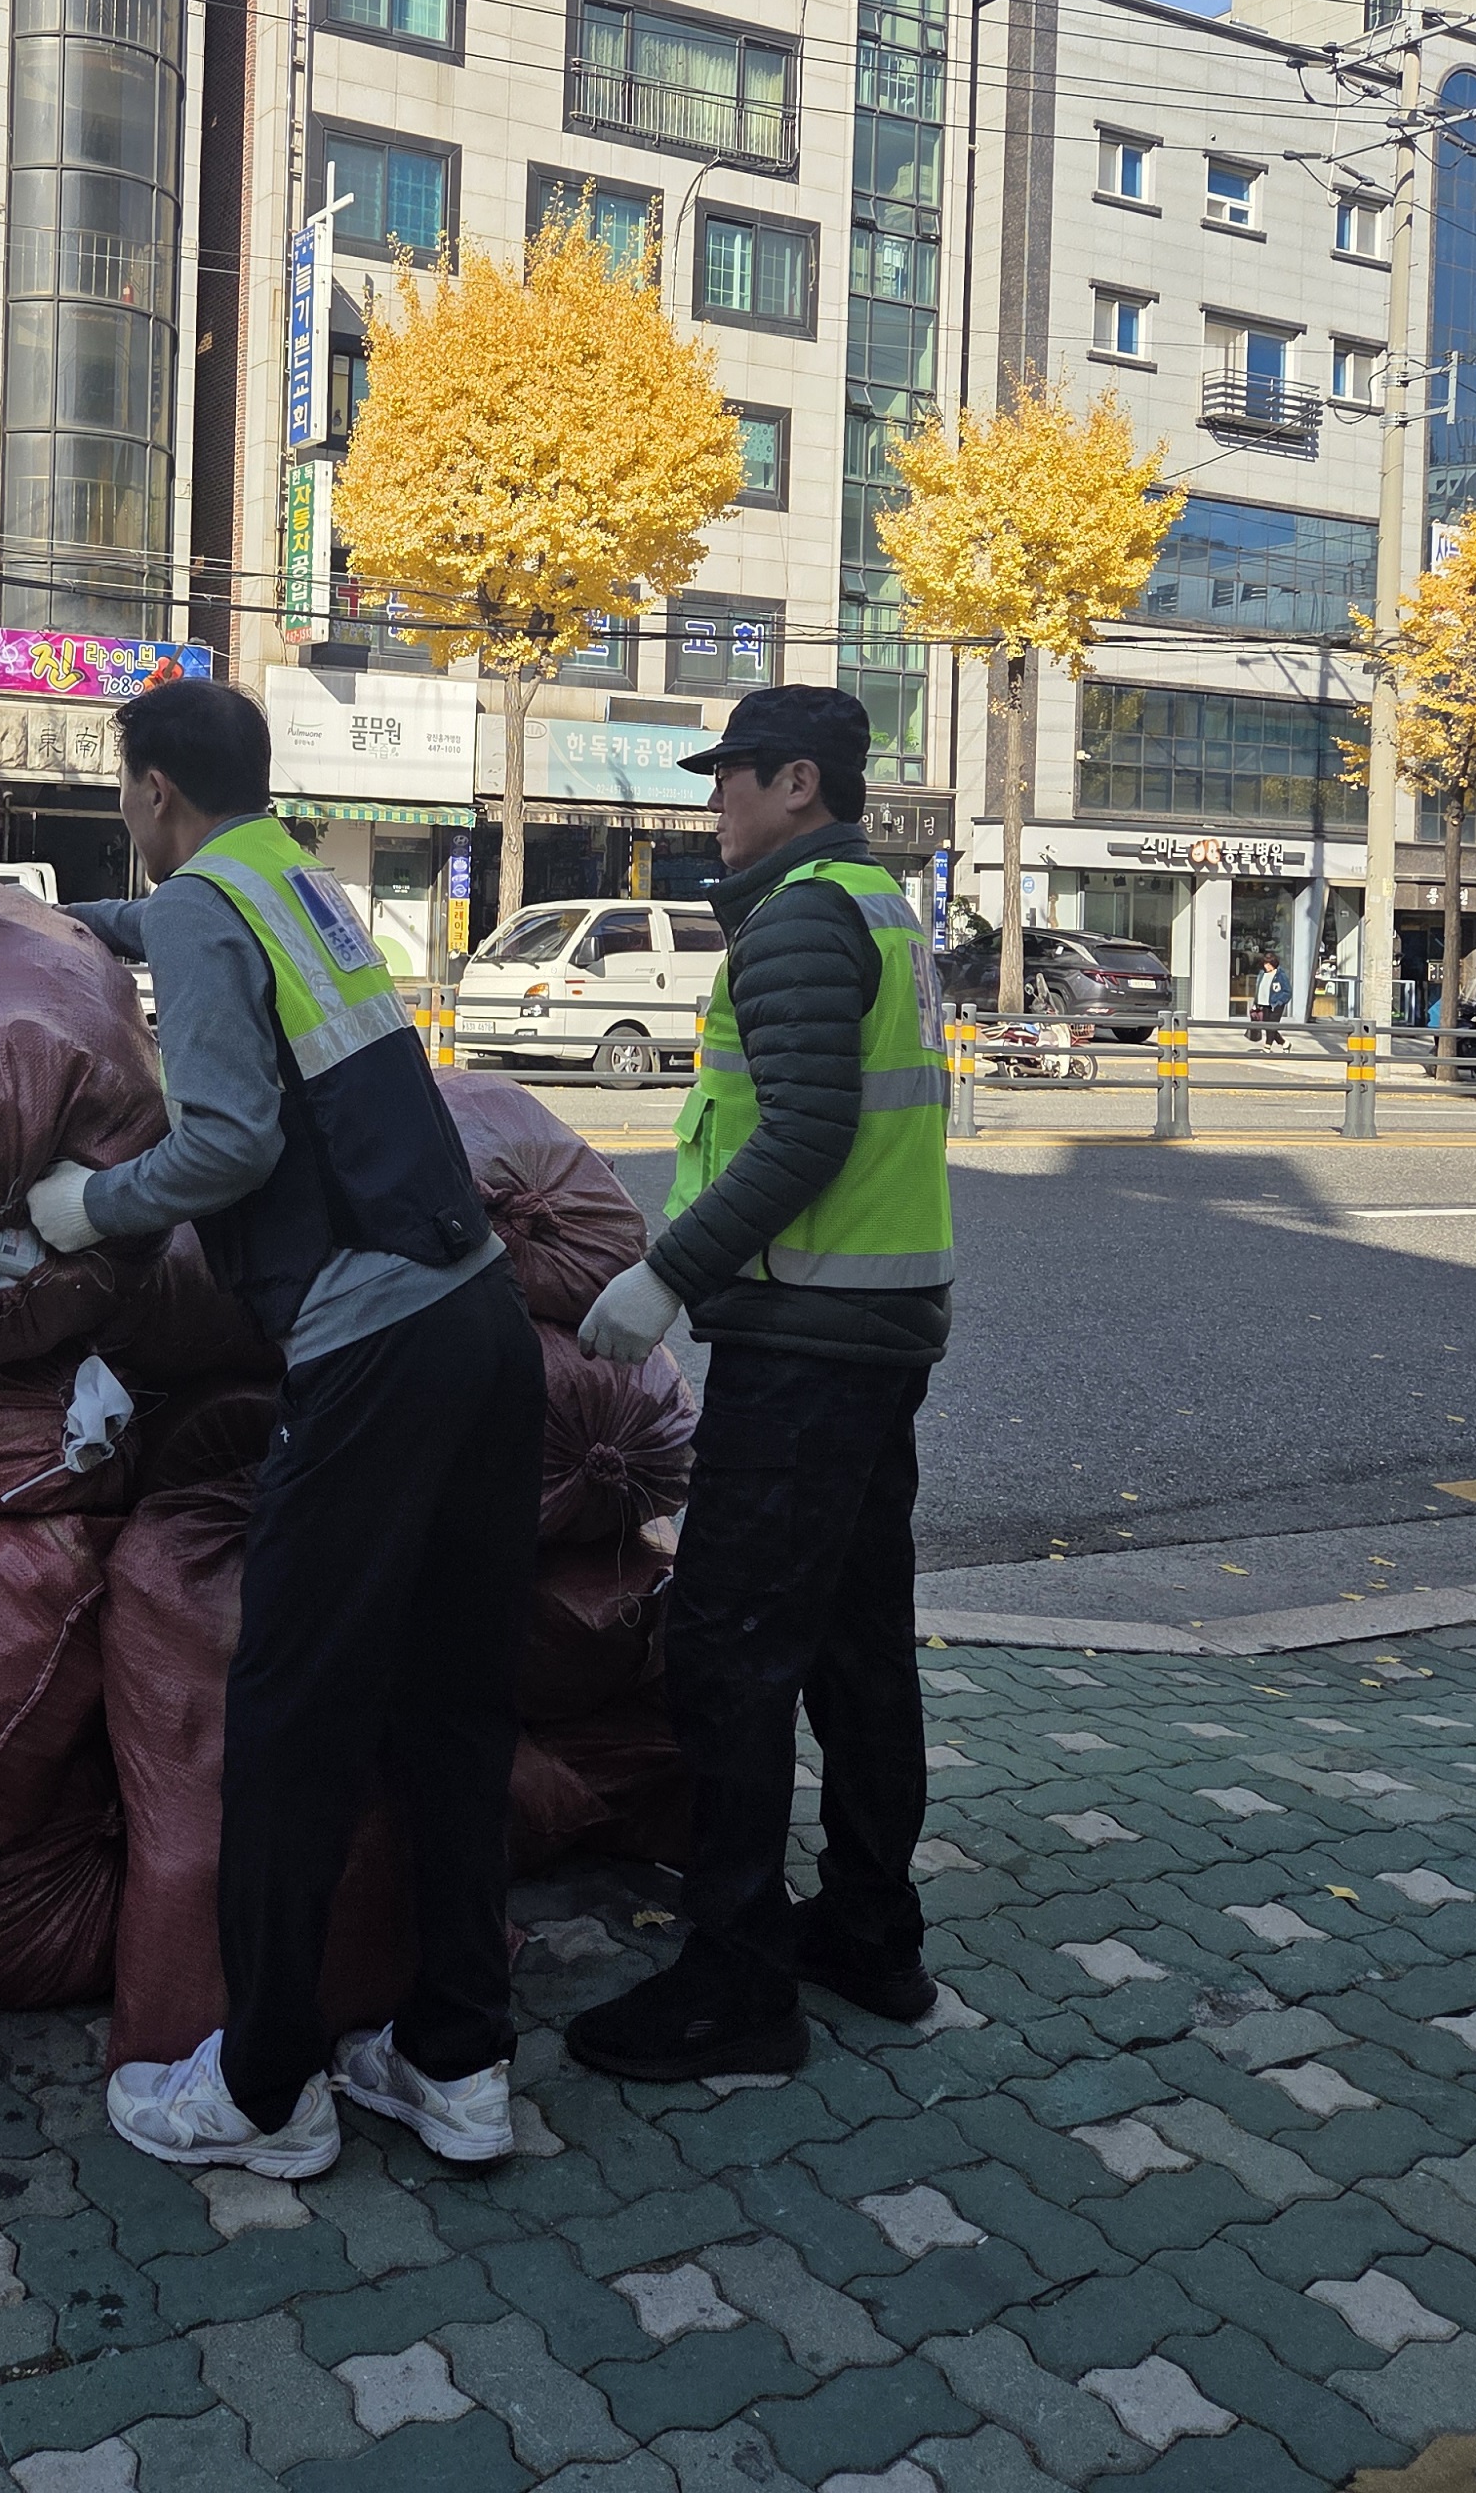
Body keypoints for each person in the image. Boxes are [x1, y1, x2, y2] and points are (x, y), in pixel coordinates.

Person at [28, 679, 543, 2180]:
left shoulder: (205, 902)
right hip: (483, 1324)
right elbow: (182, 938)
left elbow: (231, 1140)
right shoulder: (296, 882)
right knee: (454, 1705)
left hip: (373, 1347)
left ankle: (263, 2088)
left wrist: (87, 1206)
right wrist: (69, 924)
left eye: (128, 793)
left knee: (289, 1710)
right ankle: (458, 2060)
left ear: (152, 794)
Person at [561, 686, 953, 2084]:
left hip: (806, 1340)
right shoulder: (878, 904)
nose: (713, 799)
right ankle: (869, 1933)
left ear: (800, 782)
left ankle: (736, 1986)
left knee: (728, 1649)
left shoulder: (797, 916)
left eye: (730, 774)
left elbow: (803, 1134)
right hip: (878, 1328)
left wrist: (666, 1273)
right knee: (856, 1643)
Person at [1246, 951, 1287, 1050]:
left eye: (1269, 964)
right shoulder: (1262, 974)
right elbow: (1259, 989)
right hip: (1263, 1004)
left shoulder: (1280, 975)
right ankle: (1284, 1043)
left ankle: (1267, 1046)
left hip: (1275, 1005)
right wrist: (1256, 1003)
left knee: (1271, 1026)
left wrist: (1279, 1002)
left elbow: (1287, 991)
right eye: (1265, 964)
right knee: (1266, 1026)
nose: (1267, 966)